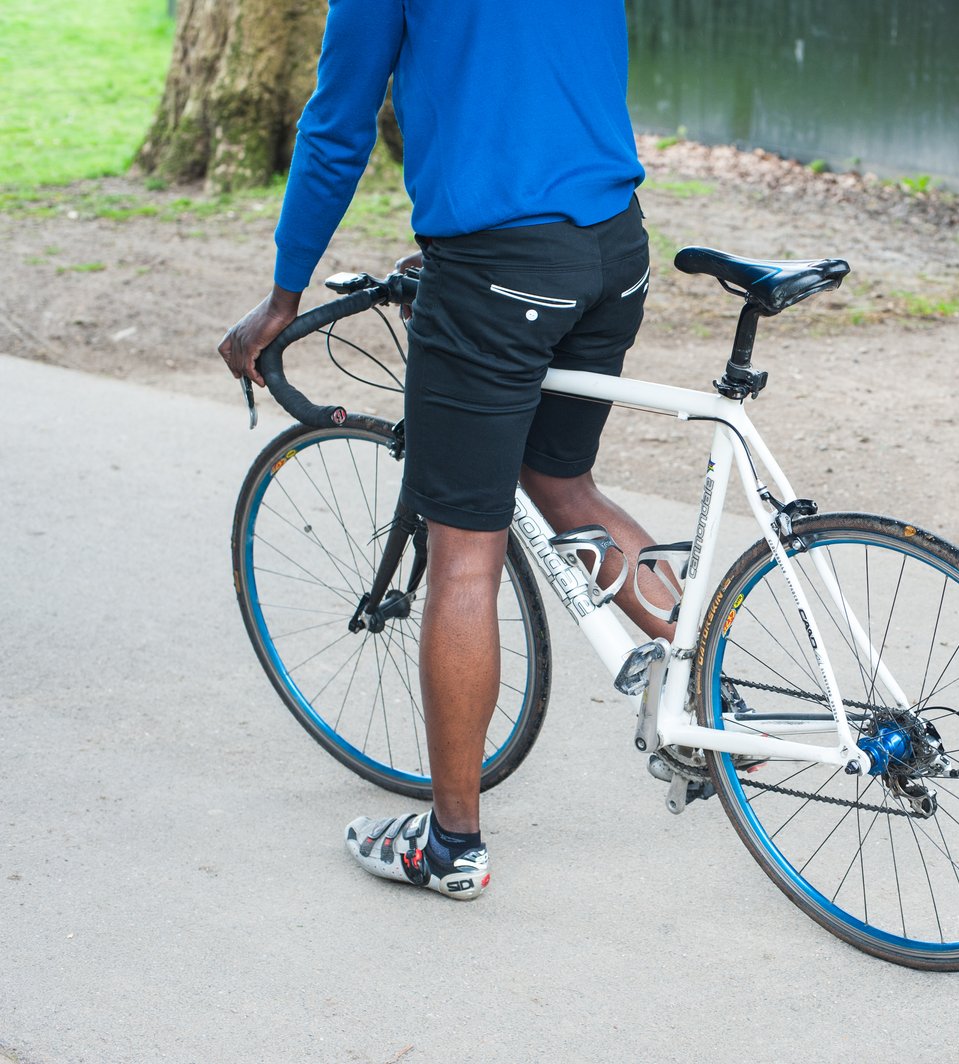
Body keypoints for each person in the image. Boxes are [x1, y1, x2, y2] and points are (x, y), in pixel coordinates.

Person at [218, 0, 671, 900]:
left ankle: (451, 843)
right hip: (612, 250)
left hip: (498, 269)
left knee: (466, 552)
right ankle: (713, 696)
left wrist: (282, 299)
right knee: (559, 477)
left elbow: (338, 126)